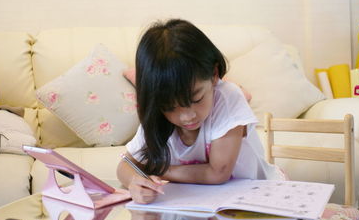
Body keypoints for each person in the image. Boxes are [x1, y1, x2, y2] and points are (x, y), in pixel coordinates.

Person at [117, 18, 279, 205]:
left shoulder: (228, 98)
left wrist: (156, 169)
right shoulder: (156, 112)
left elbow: (218, 173)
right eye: (170, 107)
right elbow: (125, 166)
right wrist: (135, 182)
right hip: (198, 204)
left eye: (196, 99)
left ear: (214, 74)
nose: (187, 116)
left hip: (253, 200)